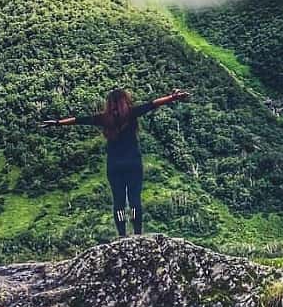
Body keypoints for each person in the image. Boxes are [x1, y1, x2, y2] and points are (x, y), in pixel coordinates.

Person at [41, 88, 190, 237]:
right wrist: (173, 97)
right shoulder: (131, 113)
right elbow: (152, 104)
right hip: (133, 164)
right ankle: (137, 234)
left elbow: (79, 120)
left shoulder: (104, 118)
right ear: (125, 100)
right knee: (134, 200)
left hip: (114, 166)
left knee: (118, 201)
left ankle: (122, 235)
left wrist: (57, 123)